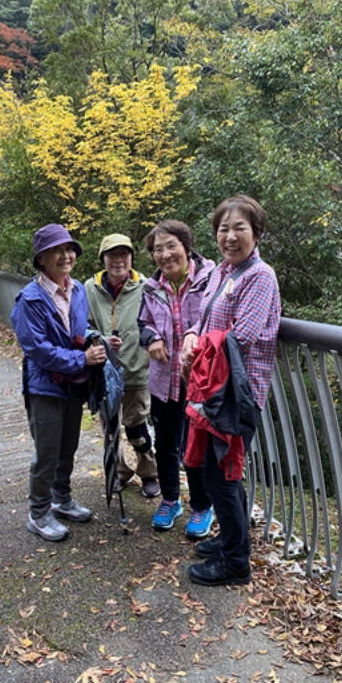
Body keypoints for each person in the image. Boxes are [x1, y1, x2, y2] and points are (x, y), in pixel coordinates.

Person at [181, 194, 281, 586]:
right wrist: (191, 335)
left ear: (256, 233)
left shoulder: (260, 276)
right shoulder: (222, 272)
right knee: (215, 473)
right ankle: (230, 541)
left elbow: (243, 337)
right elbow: (204, 320)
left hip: (237, 393)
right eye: (224, 228)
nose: (230, 236)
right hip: (212, 390)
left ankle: (236, 562)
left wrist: (198, 350)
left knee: (222, 475)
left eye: (240, 228)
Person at [10, 223, 107, 542]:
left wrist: (97, 339)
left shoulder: (76, 289)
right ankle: (38, 513)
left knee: (68, 446)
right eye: (56, 251)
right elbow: (37, 349)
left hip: (72, 384)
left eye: (69, 250)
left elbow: (77, 329)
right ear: (41, 259)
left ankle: (61, 499)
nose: (66, 256)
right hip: (45, 386)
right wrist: (82, 360)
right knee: (47, 452)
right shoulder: (29, 299)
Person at [138, 220, 216, 536]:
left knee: (195, 445)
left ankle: (202, 505)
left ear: (186, 246)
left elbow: (217, 319)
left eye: (172, 246)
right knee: (165, 443)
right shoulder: (150, 287)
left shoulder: (210, 279)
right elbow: (143, 323)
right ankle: (170, 500)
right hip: (163, 380)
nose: (165, 254)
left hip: (199, 380)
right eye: (158, 249)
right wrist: (151, 338)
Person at [85, 234, 160, 499]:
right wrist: (99, 340)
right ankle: (119, 472)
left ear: (131, 257)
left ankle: (149, 473)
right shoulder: (90, 288)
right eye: (112, 255)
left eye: (124, 254)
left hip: (137, 370)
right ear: (103, 259)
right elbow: (83, 324)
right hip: (104, 371)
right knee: (110, 427)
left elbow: (156, 322)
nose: (118, 260)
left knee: (137, 426)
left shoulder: (146, 286)